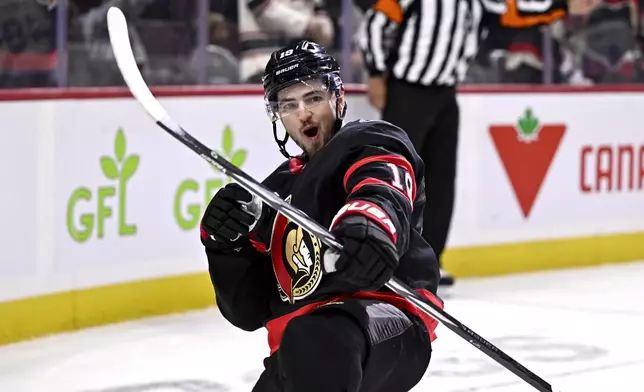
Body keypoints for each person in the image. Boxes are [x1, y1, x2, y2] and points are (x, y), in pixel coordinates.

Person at [199, 40, 443, 392]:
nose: (303, 114)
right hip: (303, 350)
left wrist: (368, 223)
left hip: (383, 322)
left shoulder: (369, 142)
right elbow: (248, 311)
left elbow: (380, 186)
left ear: (337, 98)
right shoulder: (274, 192)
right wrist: (227, 246)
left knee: (317, 337)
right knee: (306, 344)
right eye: (289, 105)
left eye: (313, 98)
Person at [358, 0, 568, 287]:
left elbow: (517, 11)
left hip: (446, 95)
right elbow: (374, 24)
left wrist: (562, 6)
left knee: (441, 180)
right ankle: (386, 258)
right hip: (407, 93)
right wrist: (376, 73)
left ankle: (428, 261)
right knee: (397, 178)